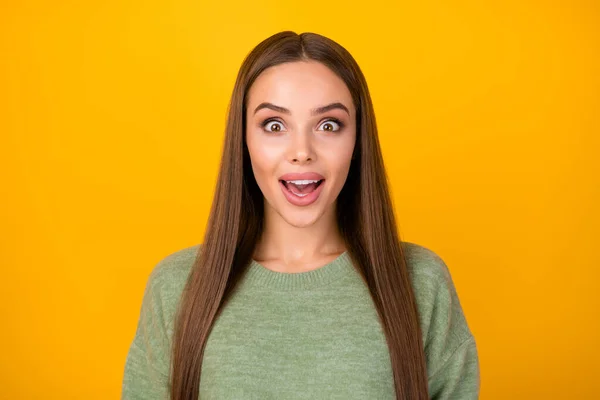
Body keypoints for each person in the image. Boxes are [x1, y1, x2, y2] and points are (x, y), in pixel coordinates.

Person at [122, 31, 480, 400]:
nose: (301, 151)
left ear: (358, 141)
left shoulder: (420, 282)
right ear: (243, 141)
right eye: (274, 125)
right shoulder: (177, 288)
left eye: (328, 125)